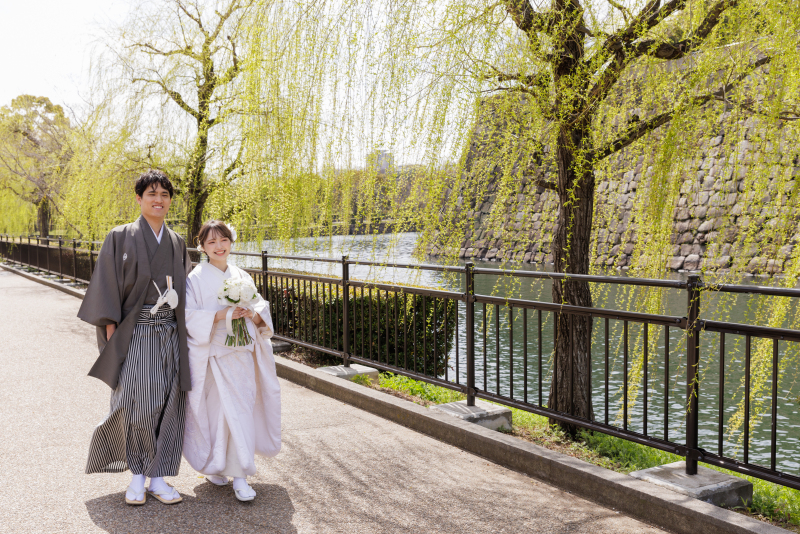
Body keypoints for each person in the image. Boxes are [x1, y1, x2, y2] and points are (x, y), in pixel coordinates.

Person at [78, 170, 192, 505]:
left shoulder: (177, 242)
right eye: (152, 193)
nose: (159, 200)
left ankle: (158, 478)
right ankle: (137, 475)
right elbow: (108, 291)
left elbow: (187, 291)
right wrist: (114, 343)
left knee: (171, 403)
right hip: (136, 332)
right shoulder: (120, 236)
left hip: (169, 332)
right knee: (136, 404)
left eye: (165, 195)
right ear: (139, 198)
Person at [183, 220, 281, 502]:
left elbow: (260, 304)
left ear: (231, 242)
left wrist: (251, 313)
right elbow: (189, 316)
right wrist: (222, 315)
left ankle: (236, 473)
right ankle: (228, 469)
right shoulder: (195, 278)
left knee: (240, 411)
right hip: (215, 354)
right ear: (202, 246)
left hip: (242, 354)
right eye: (211, 242)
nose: (218, 246)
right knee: (220, 413)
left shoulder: (240, 274)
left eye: (223, 240)